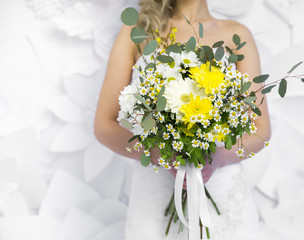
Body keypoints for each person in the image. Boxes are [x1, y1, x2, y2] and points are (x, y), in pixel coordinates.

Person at [94, 0, 272, 239]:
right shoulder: (137, 32)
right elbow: (103, 125)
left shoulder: (236, 35)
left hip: (222, 190)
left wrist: (216, 158)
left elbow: (261, 129)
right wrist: (158, 153)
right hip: (155, 193)